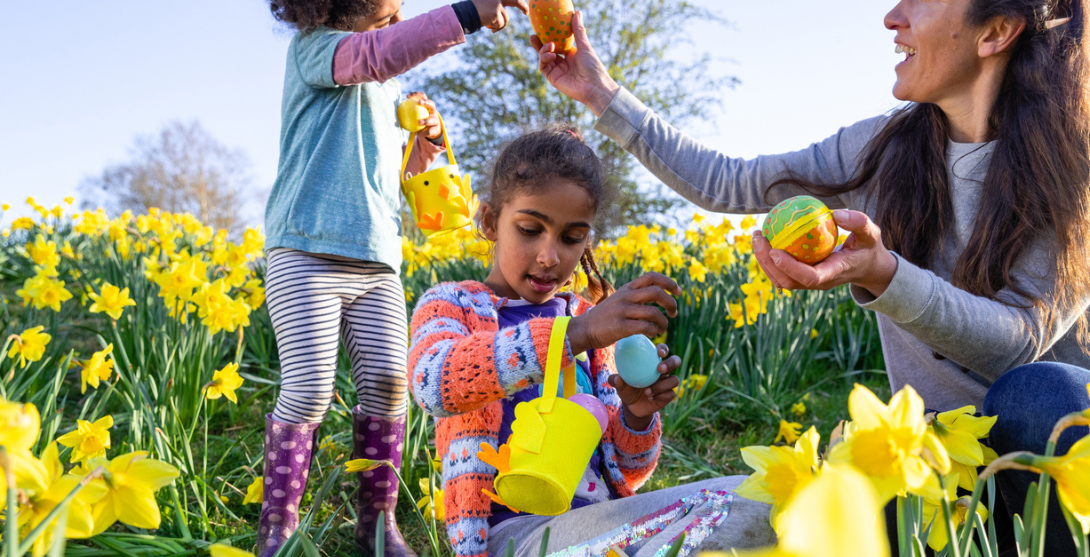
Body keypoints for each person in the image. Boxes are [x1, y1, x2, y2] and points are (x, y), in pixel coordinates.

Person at [533, 0, 1090, 554]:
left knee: (1039, 393)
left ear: (995, 31)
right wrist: (599, 91)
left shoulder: (1073, 167)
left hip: (1047, 453)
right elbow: (729, 181)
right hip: (937, 465)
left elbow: (1018, 345)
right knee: (839, 499)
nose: (893, 16)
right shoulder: (881, 152)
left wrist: (887, 275)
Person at [407, 127, 774, 557]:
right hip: (516, 537)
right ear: (490, 221)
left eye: (571, 237)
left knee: (763, 497)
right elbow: (434, 383)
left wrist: (637, 413)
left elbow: (626, 475)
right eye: (529, 229)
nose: (550, 256)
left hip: (599, 526)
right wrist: (576, 335)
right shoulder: (452, 305)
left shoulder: (586, 322)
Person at [258, 0, 528, 554]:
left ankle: (377, 528)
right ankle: (276, 533)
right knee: (309, 389)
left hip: (376, 261)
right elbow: (376, 54)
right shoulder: (317, 51)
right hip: (306, 251)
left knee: (388, 387)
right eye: (389, 8)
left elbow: (387, 175)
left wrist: (421, 150)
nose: (400, 17)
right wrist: (469, 13)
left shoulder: (384, 91)